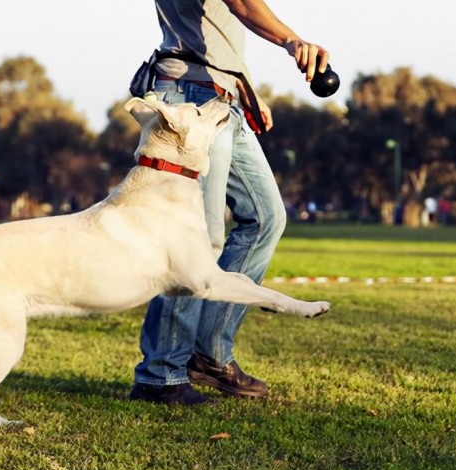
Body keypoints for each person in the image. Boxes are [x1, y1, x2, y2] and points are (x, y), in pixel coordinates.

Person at [129, 0, 331, 405]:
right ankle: (161, 373)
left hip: (222, 99)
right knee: (196, 242)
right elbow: (241, 4)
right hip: (192, 100)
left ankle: (209, 354)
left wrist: (244, 88)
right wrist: (292, 41)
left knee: (265, 218)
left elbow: (214, 30)